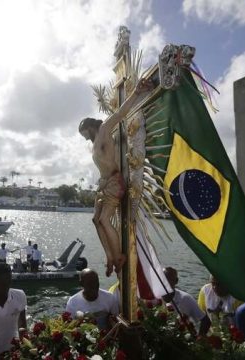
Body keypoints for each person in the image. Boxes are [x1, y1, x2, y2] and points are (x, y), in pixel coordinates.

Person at [79, 78, 154, 276]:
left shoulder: (104, 129)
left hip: (114, 183)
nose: (83, 137)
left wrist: (136, 92)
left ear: (89, 127)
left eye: (83, 132)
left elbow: (121, 113)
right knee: (96, 220)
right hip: (104, 184)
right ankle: (110, 256)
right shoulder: (94, 143)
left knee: (104, 220)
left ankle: (119, 255)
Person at [163, 267, 211, 335]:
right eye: (163, 279)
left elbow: (206, 321)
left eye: (169, 279)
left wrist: (200, 338)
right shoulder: (153, 297)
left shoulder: (186, 298)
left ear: (176, 281)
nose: (165, 282)